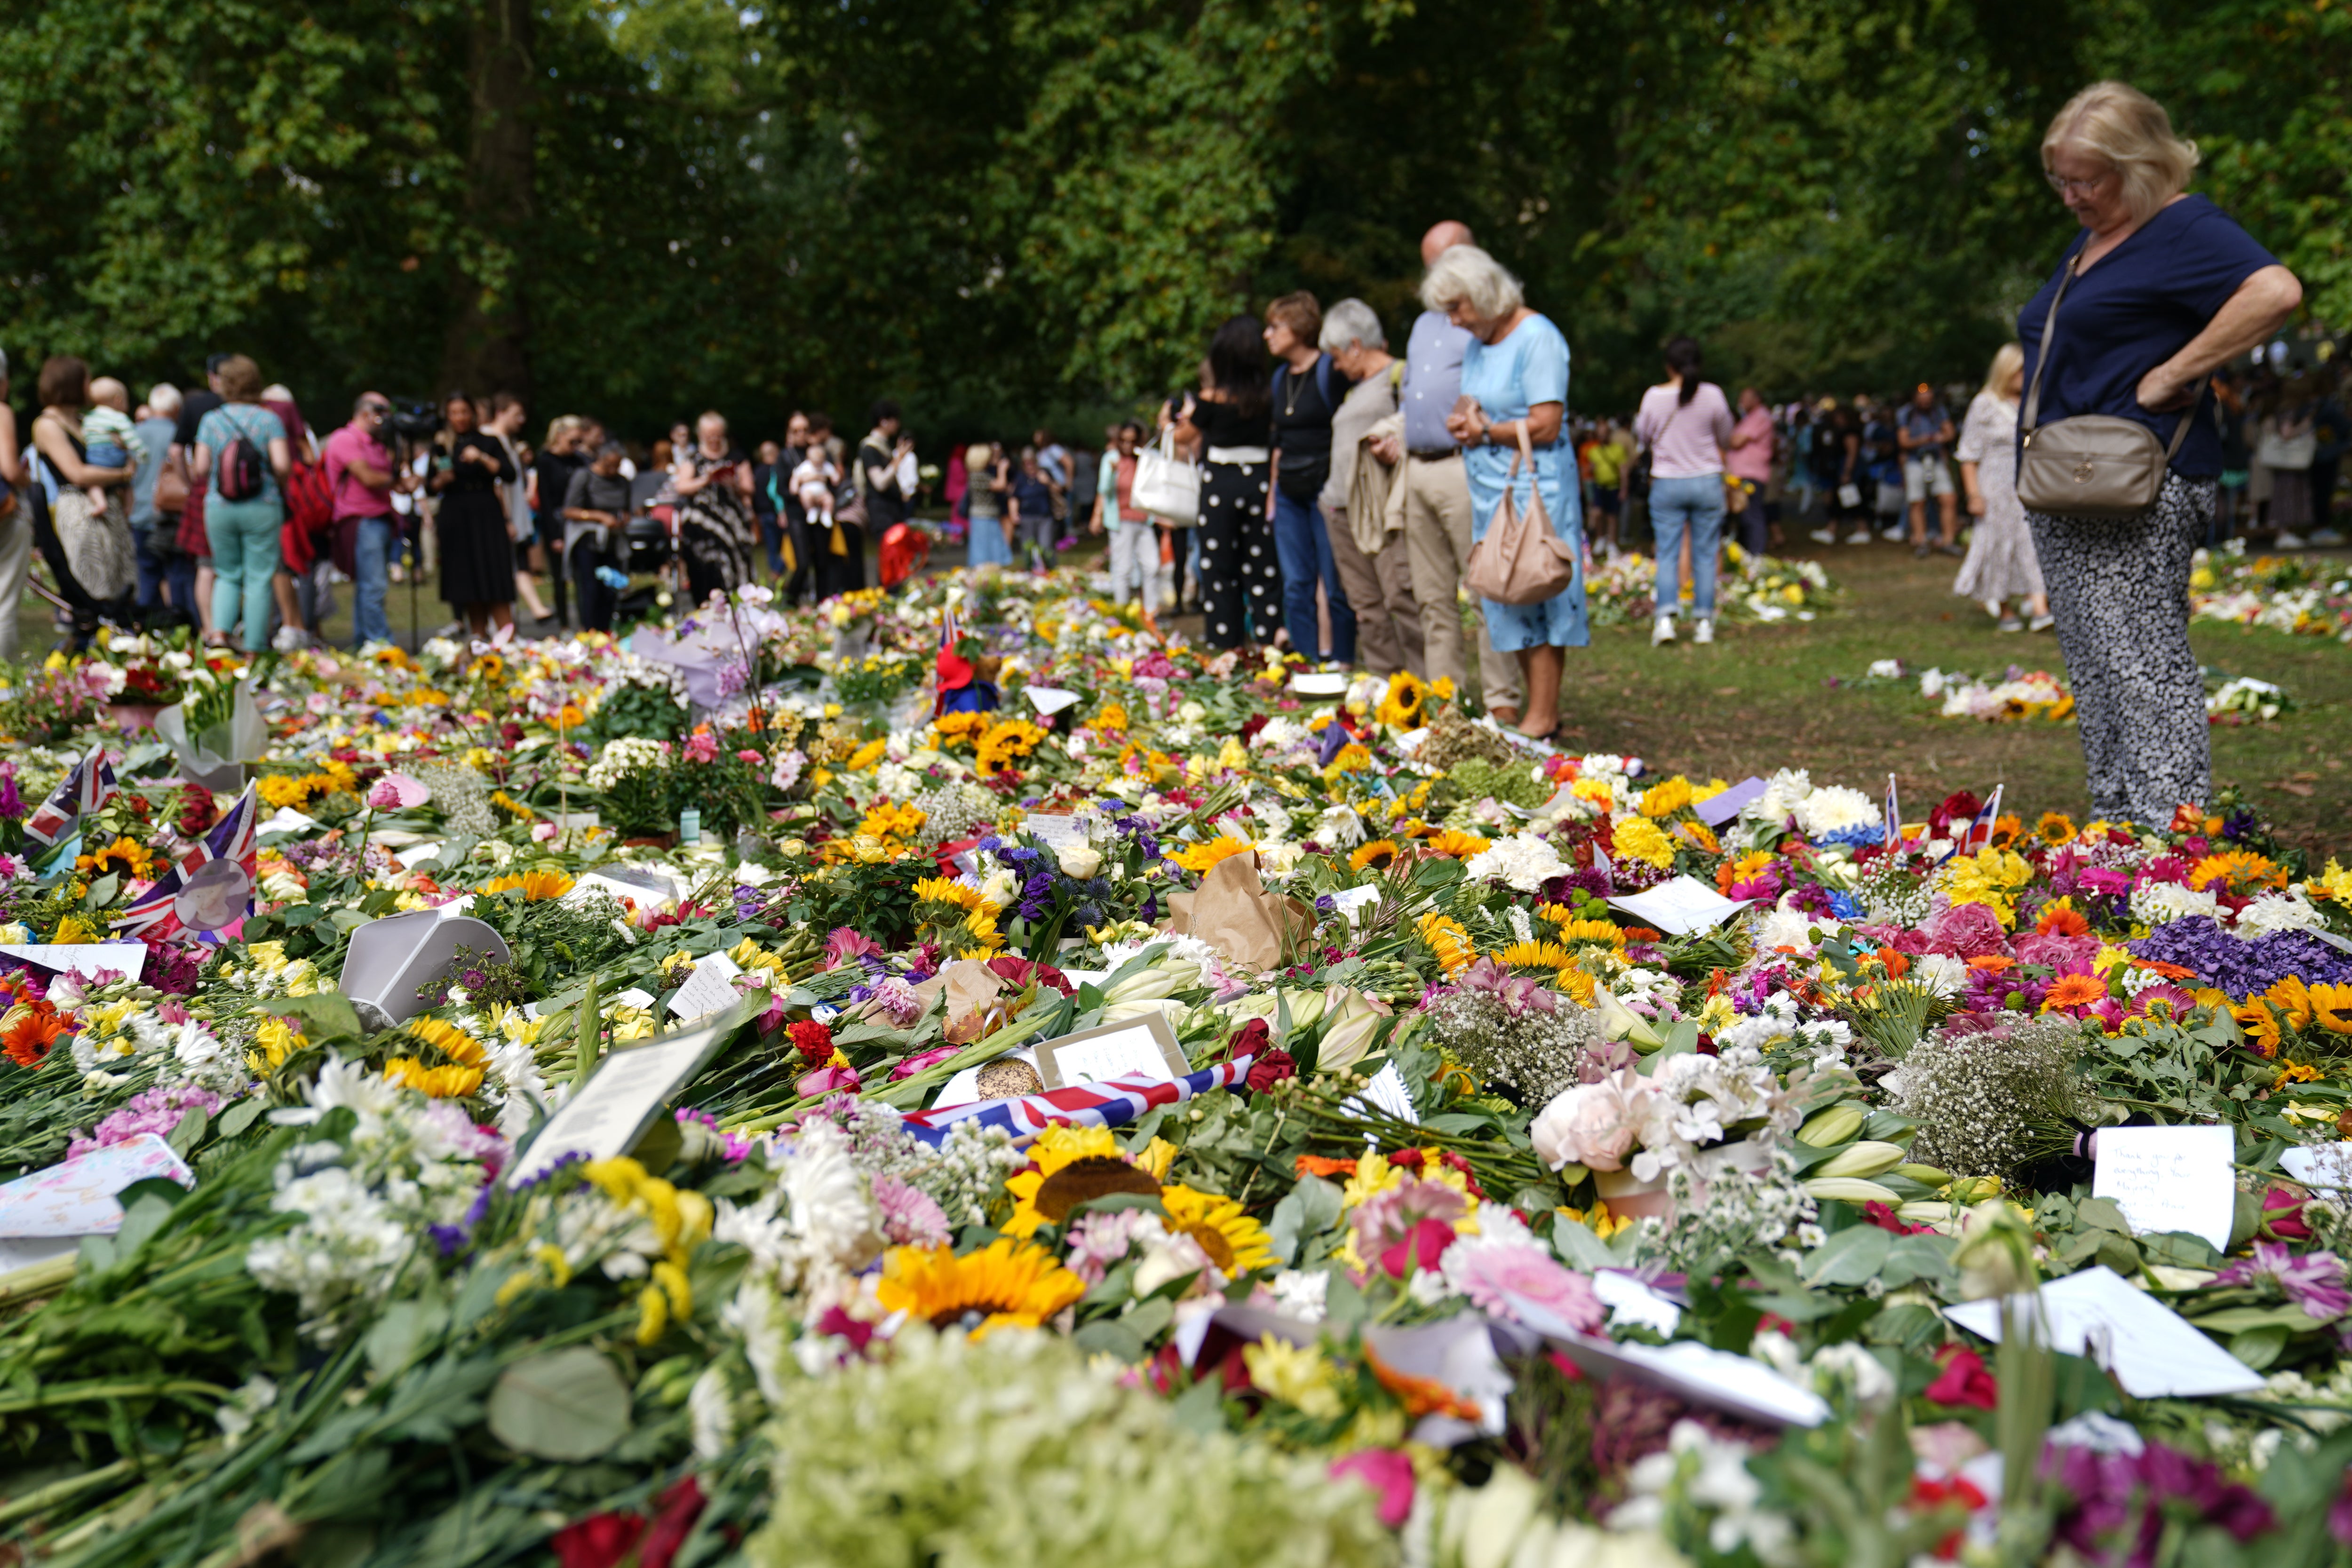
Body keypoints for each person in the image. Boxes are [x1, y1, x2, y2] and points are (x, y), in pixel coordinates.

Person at [2020, 80, 2301, 823]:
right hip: (2069, 478)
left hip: (2138, 480)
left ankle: (2168, 844)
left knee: (2144, 664)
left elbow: (2274, 291)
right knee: (2095, 666)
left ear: (2139, 165)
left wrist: (2177, 372)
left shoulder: (2183, 228)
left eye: (2086, 178)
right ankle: (2117, 831)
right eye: (2061, 178)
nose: (2070, 194)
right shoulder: (2094, 236)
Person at [1426, 245, 1585, 740]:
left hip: (1535, 489)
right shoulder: (1481, 341)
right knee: (1503, 594)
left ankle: (1543, 715)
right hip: (1491, 491)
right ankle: (1537, 712)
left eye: (1456, 308)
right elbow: (1477, 401)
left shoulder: (1537, 337)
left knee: (1537, 587)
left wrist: (1484, 432)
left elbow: (1545, 423)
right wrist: (1463, 419)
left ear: (1483, 294)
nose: (1452, 321)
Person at [1371, 222, 1524, 721]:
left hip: (1465, 468)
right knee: (1431, 596)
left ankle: (1502, 700)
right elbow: (1415, 395)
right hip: (1416, 468)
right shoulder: (1422, 325)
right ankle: (1447, 703)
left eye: (1443, 260)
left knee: (1484, 588)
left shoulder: (1489, 319)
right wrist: (1393, 430)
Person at [1319, 298, 1424, 677]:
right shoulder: (1353, 391)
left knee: (1401, 596)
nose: (1335, 365)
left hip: (1380, 509)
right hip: (1338, 509)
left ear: (1355, 344)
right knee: (1365, 603)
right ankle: (1387, 682)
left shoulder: (1402, 376)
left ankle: (1426, 684)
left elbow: (1419, 428)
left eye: (1336, 354)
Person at [1176, 317, 1281, 651]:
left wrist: (1175, 420)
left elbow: (1183, 437)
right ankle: (1268, 645)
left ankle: (1226, 646)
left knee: (1219, 569)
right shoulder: (1268, 395)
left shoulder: (1212, 397)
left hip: (1220, 482)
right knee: (1262, 568)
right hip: (1259, 482)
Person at [1262, 292, 1354, 664]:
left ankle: (1343, 658)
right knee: (1296, 582)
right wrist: (1273, 493)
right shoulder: (1280, 378)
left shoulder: (1329, 372)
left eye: (1275, 327)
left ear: (1298, 329)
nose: (1267, 335)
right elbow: (1277, 441)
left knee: (1334, 582)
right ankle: (1305, 660)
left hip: (1324, 488)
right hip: (1289, 491)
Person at [1634, 336, 1733, 645]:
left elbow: (1643, 436)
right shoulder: (1713, 395)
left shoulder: (1653, 396)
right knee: (1706, 553)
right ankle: (1704, 622)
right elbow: (1726, 436)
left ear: (1669, 365)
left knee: (1667, 553)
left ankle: (1665, 619)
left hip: (1667, 481)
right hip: (1706, 480)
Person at [187, 355, 289, 650]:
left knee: (227, 574)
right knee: (259, 578)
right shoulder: (269, 419)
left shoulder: (212, 420)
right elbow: (282, 465)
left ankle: (219, 635)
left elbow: (202, 469)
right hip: (263, 505)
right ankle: (254, 649)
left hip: (220, 507)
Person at [1951, 344, 2050, 632]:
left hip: (2030, 483)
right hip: (1994, 485)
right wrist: (1973, 495)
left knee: (2032, 542)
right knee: (1998, 545)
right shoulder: (1985, 404)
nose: (2025, 374)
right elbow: (1969, 454)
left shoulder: (2034, 402)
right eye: (2020, 368)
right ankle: (2006, 608)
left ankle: (2040, 606)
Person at [323, 393, 412, 648]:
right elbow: (369, 478)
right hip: (361, 521)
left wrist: (402, 482)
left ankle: (364, 643)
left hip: (381, 518)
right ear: (365, 413)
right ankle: (381, 644)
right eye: (382, 413)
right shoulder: (345, 439)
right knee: (374, 587)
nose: (386, 419)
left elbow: (384, 480)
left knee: (367, 588)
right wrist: (396, 482)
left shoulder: (377, 443)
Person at [427, 391, 516, 637]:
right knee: (468, 580)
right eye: (454, 413)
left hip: (486, 515)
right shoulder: (442, 446)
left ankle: (508, 637)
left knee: (493, 574)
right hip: (456, 516)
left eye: (464, 412)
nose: (460, 418)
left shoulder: (488, 442)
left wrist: (483, 458)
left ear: (473, 414)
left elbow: (510, 474)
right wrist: (441, 480)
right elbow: (429, 487)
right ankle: (478, 637)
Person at [673, 411, 758, 604]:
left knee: (737, 561)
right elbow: (682, 486)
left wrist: (733, 484)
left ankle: (738, 604)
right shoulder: (693, 458)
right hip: (703, 525)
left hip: (732, 520)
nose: (713, 439)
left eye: (717, 434)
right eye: (709, 435)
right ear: (701, 435)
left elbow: (749, 488)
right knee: (703, 567)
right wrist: (705, 480)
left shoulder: (736, 456)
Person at [563, 441, 634, 632]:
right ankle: (589, 631)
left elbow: (627, 509)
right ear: (601, 459)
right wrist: (599, 517)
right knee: (590, 590)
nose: (613, 470)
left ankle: (607, 630)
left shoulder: (623, 482)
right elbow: (569, 511)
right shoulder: (584, 476)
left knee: (611, 589)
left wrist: (623, 519)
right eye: (610, 464)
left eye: (617, 465)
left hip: (613, 542)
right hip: (588, 541)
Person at [128, 383, 183, 624]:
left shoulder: (135, 433)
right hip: (173, 515)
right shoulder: (179, 433)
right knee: (178, 574)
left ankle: (145, 628)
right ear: (176, 407)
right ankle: (180, 625)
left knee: (147, 573)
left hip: (140, 512)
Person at [530, 414, 585, 628]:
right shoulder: (546, 461)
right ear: (559, 437)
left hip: (579, 523)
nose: (576, 446)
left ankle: (585, 623)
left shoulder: (579, 461)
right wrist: (554, 535)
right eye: (573, 441)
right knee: (560, 579)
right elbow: (545, 499)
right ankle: (564, 625)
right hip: (557, 523)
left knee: (582, 577)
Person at [1089, 422, 1152, 603]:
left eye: (1132, 441)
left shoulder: (1144, 458)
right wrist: (1097, 515)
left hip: (1143, 519)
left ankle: (1149, 611)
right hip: (1121, 520)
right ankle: (1121, 611)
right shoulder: (1111, 459)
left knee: (1151, 566)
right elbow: (1104, 490)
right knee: (1123, 568)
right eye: (1123, 441)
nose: (1127, 445)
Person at [1896, 382, 1961, 557]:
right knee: (1917, 501)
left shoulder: (1939, 411)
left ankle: (1948, 541)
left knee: (1948, 498)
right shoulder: (1906, 414)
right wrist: (1923, 440)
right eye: (1922, 398)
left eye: (1929, 398)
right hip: (1915, 461)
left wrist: (1940, 438)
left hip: (1937, 459)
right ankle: (1921, 541)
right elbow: (1903, 441)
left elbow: (1950, 432)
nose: (1926, 401)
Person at [1725, 387, 1776, 558]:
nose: (1741, 401)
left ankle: (1756, 554)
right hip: (1741, 474)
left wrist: (1727, 439)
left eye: (1745, 398)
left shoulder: (1760, 416)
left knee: (1752, 515)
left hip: (1751, 474)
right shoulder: (1750, 418)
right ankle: (1744, 553)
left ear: (1756, 399)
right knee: (1743, 516)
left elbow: (1737, 441)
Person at [0, 351, 27, 662]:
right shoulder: (2, 411)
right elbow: (9, 469)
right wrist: (26, 479)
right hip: (4, 517)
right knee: (3, 603)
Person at [1007, 446, 1058, 572]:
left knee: (1045, 546)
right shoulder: (1020, 478)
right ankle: (1030, 570)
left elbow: (1059, 490)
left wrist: (1048, 483)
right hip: (1027, 516)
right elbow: (1014, 497)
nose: (1029, 466)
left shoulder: (1045, 473)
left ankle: (1050, 569)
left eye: (1032, 463)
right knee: (1028, 546)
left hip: (1044, 516)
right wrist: (1014, 514)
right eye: (1026, 463)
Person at [967, 440, 1012, 571]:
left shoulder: (979, 474)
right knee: (985, 553)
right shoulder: (978, 476)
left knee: (992, 549)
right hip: (983, 518)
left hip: (988, 517)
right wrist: (1002, 470)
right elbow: (1001, 485)